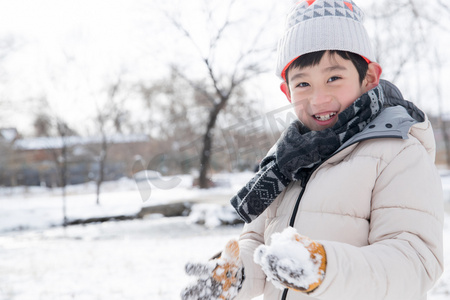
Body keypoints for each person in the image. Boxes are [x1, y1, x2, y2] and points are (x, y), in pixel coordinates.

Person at [181, 0, 444, 299]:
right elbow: (259, 247)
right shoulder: (282, 162)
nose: (319, 99)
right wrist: (236, 275)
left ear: (369, 77)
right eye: (303, 83)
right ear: (286, 91)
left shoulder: (398, 152)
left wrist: (324, 267)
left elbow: (416, 261)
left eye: (333, 78)